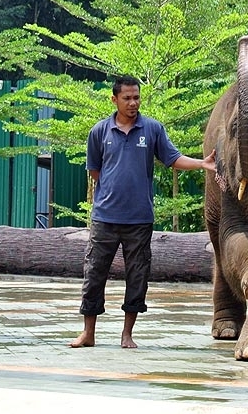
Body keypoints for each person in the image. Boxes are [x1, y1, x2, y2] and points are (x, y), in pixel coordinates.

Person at [69, 75, 216, 349]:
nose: (133, 103)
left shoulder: (152, 129)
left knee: (137, 276)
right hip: (104, 218)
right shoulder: (99, 132)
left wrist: (202, 163)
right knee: (94, 274)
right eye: (127, 98)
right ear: (114, 99)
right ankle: (88, 333)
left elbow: (173, 159)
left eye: (136, 97)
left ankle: (127, 334)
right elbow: (95, 171)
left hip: (139, 220)